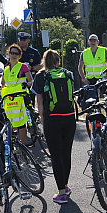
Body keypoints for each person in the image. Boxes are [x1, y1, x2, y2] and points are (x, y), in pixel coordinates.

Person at [34, 49, 76, 204]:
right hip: (69, 117)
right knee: (66, 152)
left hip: (53, 119)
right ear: (58, 61)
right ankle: (65, 185)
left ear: (44, 62)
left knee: (56, 155)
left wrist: (43, 121)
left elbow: (39, 102)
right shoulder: (68, 74)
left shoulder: (41, 76)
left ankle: (62, 192)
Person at [0, 44, 34, 144]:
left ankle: (22, 144)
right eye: (12, 53)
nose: (14, 55)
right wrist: (0, 87)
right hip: (9, 99)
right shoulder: (6, 69)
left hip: (21, 97)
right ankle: (14, 141)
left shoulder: (23, 66)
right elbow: (3, 83)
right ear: (8, 54)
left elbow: (31, 81)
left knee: (21, 123)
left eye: (16, 54)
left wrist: (26, 84)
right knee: (11, 121)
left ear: (20, 56)